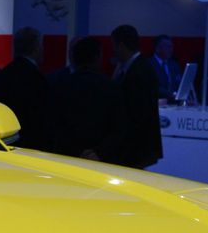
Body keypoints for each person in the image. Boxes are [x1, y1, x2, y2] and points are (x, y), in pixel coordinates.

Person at [49, 36, 127, 163]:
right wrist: (99, 152)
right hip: (102, 158)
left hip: (68, 157)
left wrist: (76, 152)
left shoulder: (60, 86)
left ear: (74, 58)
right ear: (97, 58)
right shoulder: (111, 87)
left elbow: (55, 125)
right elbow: (119, 128)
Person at [110, 24, 162, 169]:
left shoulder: (137, 72)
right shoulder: (140, 67)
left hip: (135, 148)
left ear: (121, 45)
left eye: (114, 45)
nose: (113, 51)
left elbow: (134, 115)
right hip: (139, 147)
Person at [0, 26, 50, 149]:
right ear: (36, 48)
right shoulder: (36, 78)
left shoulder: (4, 73)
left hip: (7, 142)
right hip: (32, 144)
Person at [148, 34, 182, 100]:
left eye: (171, 47)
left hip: (175, 103)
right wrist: (171, 94)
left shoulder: (174, 65)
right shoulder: (148, 64)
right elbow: (153, 86)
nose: (171, 49)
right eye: (167, 47)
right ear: (157, 48)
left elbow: (179, 83)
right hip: (157, 102)